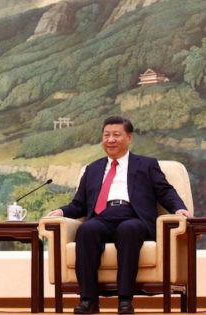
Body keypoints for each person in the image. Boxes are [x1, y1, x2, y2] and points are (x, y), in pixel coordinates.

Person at [47, 116, 191, 314]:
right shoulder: (93, 169)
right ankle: (88, 300)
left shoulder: (146, 165)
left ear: (129, 138)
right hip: (102, 216)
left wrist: (179, 208)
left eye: (116, 135)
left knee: (129, 230)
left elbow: (165, 191)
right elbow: (79, 204)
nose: (110, 140)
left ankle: (125, 300)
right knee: (86, 230)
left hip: (133, 216)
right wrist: (61, 211)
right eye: (106, 135)